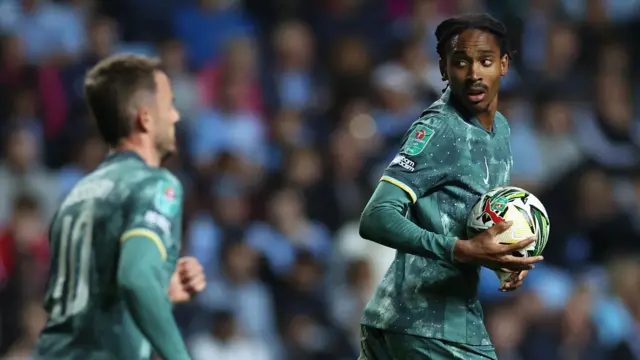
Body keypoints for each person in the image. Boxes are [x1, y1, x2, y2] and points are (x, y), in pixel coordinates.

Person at [358, 14, 544, 360]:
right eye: (461, 62)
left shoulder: (500, 130)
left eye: (485, 61)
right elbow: (375, 217)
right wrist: (462, 250)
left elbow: (468, 218)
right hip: (428, 326)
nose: (474, 74)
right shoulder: (438, 129)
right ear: (443, 69)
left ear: (504, 65)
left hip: (418, 319)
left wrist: (504, 257)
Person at [34, 54, 206, 360]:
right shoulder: (154, 185)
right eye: (169, 104)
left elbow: (94, 300)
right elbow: (135, 278)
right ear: (145, 118)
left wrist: (161, 292)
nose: (176, 116)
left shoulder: (78, 194)